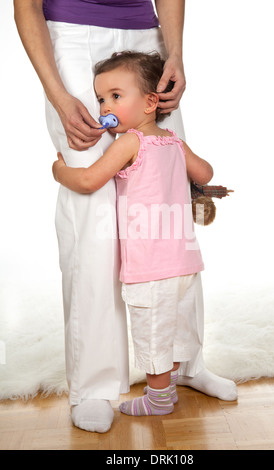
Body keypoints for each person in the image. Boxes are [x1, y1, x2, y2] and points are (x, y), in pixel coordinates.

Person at [14, 0, 237, 433]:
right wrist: (58, 95)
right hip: (72, 39)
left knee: (171, 204)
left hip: (145, 35)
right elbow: (26, 7)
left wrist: (174, 53)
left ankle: (182, 364)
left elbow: (199, 175)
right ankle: (94, 386)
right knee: (95, 215)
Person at [52, 51, 226, 417]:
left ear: (150, 102)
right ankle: (173, 385)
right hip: (184, 261)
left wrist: (58, 170)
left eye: (115, 96)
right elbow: (206, 173)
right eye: (101, 98)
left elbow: (87, 181)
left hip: (149, 266)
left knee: (151, 333)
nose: (104, 107)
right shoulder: (173, 142)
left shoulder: (129, 142)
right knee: (175, 326)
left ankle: (158, 399)